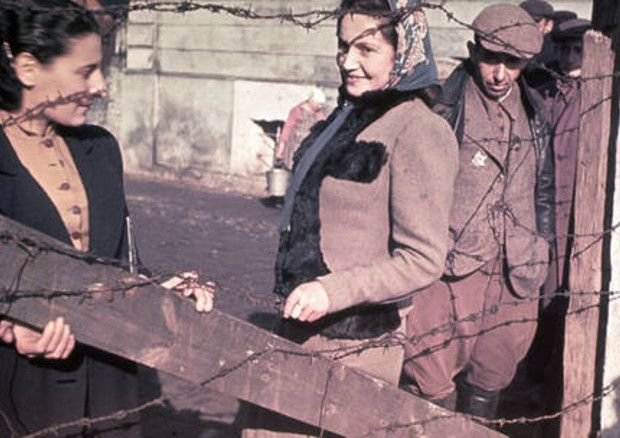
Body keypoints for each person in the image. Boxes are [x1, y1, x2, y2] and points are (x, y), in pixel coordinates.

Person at [241, 0, 458, 435]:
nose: (348, 63)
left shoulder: (418, 130)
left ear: (405, 53)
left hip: (358, 345)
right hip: (300, 328)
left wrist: (332, 290)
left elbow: (423, 259)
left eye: (366, 50)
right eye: (343, 48)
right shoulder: (344, 119)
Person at [0, 1, 213, 436]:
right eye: (84, 72)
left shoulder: (101, 149)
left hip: (111, 394)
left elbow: (118, 262)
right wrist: (9, 329)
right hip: (22, 398)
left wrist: (160, 290)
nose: (101, 87)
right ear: (27, 68)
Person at [401, 3, 555, 419]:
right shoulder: (442, 107)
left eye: (513, 63)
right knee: (429, 373)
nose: (500, 74)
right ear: (473, 51)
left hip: (515, 269)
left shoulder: (537, 111)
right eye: (491, 59)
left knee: (493, 374)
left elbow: (544, 193)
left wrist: (544, 258)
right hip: (451, 266)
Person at [274, 87, 326, 171]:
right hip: (294, 150)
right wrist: (280, 151)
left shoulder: (318, 113)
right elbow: (286, 131)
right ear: (311, 101)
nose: (320, 107)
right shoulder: (297, 111)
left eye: (322, 105)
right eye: (318, 104)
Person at [520, 0, 556, 89]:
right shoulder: (509, 45)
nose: (528, 25)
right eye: (523, 21)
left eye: (535, 21)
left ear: (549, 25)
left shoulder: (554, 52)